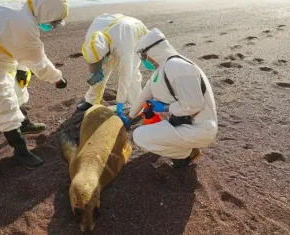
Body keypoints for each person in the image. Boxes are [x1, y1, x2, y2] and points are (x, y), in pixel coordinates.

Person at [0, 0, 69, 169]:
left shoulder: (22, 6)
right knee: (2, 102)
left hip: (0, 53)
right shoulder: (23, 24)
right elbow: (38, 61)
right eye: (51, 23)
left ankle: (24, 124)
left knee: (18, 89)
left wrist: (22, 67)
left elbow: (15, 44)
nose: (49, 26)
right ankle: (20, 150)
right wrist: (58, 79)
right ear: (48, 13)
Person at [120, 28, 218, 168]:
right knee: (150, 122)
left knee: (140, 136)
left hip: (199, 128)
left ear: (153, 50)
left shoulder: (178, 66)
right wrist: (129, 117)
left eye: (144, 56)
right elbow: (143, 96)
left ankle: (187, 153)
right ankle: (183, 148)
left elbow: (194, 104)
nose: (144, 60)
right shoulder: (161, 71)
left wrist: (165, 107)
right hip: (182, 122)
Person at [77, 13, 149, 120]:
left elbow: (125, 74)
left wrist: (120, 101)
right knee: (103, 68)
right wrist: (96, 69)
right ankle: (91, 100)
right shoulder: (91, 38)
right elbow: (95, 54)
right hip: (114, 32)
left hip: (134, 33)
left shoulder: (123, 47)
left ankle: (137, 107)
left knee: (132, 73)